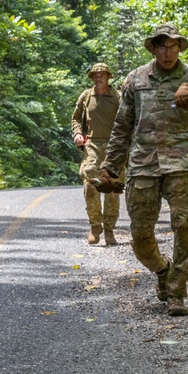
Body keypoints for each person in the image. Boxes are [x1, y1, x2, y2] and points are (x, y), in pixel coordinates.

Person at [97, 23, 188, 317]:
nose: (169, 52)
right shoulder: (135, 79)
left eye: (174, 46)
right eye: (163, 46)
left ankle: (177, 291)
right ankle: (163, 269)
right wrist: (110, 166)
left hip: (181, 163)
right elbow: (122, 126)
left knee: (183, 224)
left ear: (180, 48)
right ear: (153, 48)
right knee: (140, 236)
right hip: (143, 164)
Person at [71, 62, 122, 246]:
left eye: (102, 75)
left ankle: (109, 229)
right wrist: (77, 133)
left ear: (109, 77)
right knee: (90, 182)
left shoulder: (118, 97)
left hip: (114, 146)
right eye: (95, 75)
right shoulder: (86, 96)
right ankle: (95, 226)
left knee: (113, 188)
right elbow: (75, 118)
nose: (98, 78)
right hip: (92, 144)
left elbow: (128, 120)